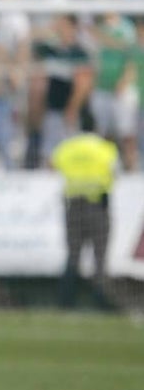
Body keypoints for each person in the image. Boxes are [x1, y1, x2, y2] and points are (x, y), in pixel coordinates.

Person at [51, 128, 118, 309]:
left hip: (74, 206)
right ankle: (102, 302)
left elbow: (53, 164)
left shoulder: (68, 147)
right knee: (100, 257)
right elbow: (114, 172)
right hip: (97, 206)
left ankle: (65, 302)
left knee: (73, 255)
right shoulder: (105, 148)